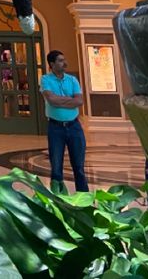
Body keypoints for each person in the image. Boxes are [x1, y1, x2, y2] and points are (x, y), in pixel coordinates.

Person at [40, 49, 89, 193]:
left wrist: (60, 100)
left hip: (74, 127)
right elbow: (51, 99)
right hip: (56, 128)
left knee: (79, 167)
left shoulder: (72, 80)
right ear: (52, 64)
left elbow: (79, 101)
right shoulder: (45, 80)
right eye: (60, 61)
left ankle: (84, 199)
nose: (64, 63)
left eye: (64, 60)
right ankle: (58, 199)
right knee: (56, 167)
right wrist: (70, 99)